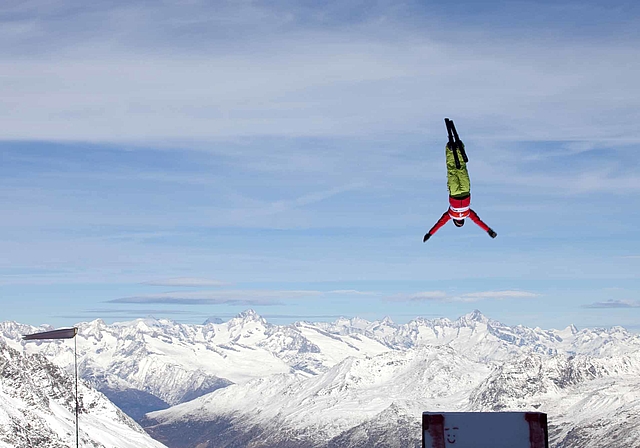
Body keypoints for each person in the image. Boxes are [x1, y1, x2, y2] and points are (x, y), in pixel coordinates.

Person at [423, 138, 497, 242]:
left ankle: (450, 149)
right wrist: (489, 230)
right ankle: (458, 148)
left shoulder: (452, 214)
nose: (460, 221)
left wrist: (430, 233)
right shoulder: (467, 214)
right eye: (460, 222)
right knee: (460, 169)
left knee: (454, 171)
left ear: (455, 221)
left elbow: (440, 223)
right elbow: (478, 221)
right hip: (463, 192)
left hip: (457, 193)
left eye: (458, 222)